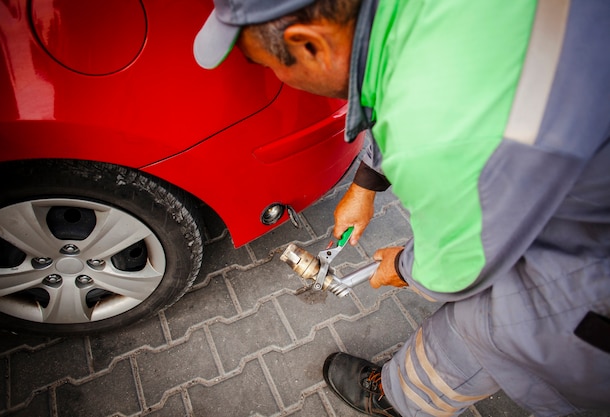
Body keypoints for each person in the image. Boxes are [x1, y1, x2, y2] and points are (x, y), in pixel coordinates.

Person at [194, 0, 610, 416]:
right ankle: (400, 396)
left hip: (585, 293)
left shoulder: (430, 135)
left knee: (507, 324)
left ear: (308, 45)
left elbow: (458, 269)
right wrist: (366, 184)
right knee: (469, 331)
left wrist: (401, 267)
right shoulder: (411, 19)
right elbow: (396, 74)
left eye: (270, 66)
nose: (278, 77)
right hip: (571, 201)